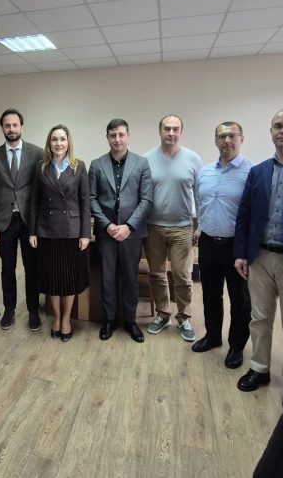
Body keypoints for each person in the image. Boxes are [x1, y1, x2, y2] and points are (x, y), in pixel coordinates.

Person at [234, 107, 283, 408]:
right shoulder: (258, 172)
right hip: (260, 257)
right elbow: (244, 215)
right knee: (260, 318)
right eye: (278, 126)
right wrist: (241, 253)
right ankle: (259, 368)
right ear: (271, 132)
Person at [192, 122, 252, 369]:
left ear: (241, 139)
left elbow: (255, 212)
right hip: (208, 242)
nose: (227, 140)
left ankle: (236, 346)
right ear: (215, 140)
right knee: (210, 293)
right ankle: (213, 336)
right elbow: (201, 203)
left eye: (232, 135)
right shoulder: (205, 172)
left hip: (236, 247)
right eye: (222, 136)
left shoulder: (252, 172)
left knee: (239, 299)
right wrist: (200, 226)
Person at [89, 118, 153, 342]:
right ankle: (109, 320)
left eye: (121, 135)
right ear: (107, 137)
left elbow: (146, 199)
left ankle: (130, 321)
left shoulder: (142, 163)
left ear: (128, 136)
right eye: (113, 135)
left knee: (130, 279)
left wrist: (128, 226)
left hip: (132, 233)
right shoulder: (96, 165)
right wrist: (107, 225)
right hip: (106, 232)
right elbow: (91, 198)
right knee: (107, 278)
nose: (117, 139)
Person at [144, 115, 203, 341]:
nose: (171, 133)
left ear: (181, 132)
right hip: (153, 227)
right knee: (157, 274)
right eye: (167, 128)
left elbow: (200, 194)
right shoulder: (147, 159)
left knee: (182, 275)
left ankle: (184, 317)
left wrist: (200, 225)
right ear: (160, 131)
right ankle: (162, 314)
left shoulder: (193, 159)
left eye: (175, 129)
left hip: (182, 228)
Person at [29, 125, 90, 342]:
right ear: (49, 143)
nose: (58, 143)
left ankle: (66, 319)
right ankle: (56, 318)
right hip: (47, 231)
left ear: (68, 142)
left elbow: (85, 202)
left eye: (62, 139)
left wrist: (85, 234)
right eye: (54, 139)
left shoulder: (79, 166)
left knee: (69, 279)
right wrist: (32, 231)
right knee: (52, 279)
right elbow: (34, 202)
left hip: (71, 231)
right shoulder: (41, 167)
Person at [0, 108, 44, 331]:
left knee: (32, 268)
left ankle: (33, 311)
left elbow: (42, 189)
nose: (11, 129)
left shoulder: (37, 153)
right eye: (7, 125)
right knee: (7, 268)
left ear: (22, 127)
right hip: (4, 222)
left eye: (15, 125)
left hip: (29, 221)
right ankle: (9, 310)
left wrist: (41, 224)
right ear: (2, 128)